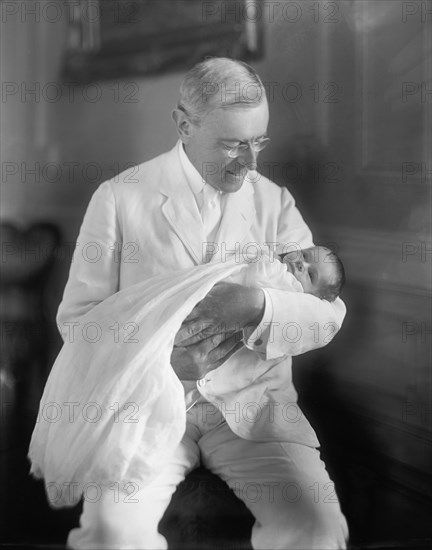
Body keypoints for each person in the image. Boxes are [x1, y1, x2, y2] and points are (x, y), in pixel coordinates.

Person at [51, 58, 348, 549]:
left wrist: (256, 305)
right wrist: (161, 361)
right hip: (145, 409)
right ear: (184, 124)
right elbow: (79, 324)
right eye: (234, 144)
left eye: (260, 142)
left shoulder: (276, 203)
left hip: (257, 414)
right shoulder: (119, 199)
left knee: (317, 529)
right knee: (111, 533)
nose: (251, 163)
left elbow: (325, 314)